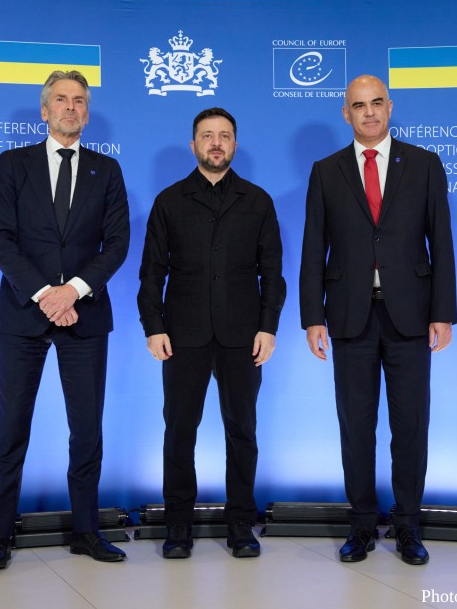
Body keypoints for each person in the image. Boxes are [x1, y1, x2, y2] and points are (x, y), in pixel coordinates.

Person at [298, 74, 457, 565]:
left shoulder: (425, 164)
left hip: (410, 316)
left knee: (410, 425)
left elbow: (442, 242)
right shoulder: (326, 171)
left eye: (377, 103)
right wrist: (312, 316)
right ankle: (362, 526)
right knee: (356, 426)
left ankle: (408, 528)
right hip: (350, 317)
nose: (369, 112)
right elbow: (312, 249)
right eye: (358, 105)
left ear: (391, 107)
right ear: (345, 114)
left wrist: (443, 313)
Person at [0, 70, 130, 570]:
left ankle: (86, 531)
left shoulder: (106, 171)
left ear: (87, 112)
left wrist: (74, 291)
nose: (71, 108)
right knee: (11, 430)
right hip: (24, 315)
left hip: (85, 316)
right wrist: (47, 294)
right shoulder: (12, 164)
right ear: (44, 111)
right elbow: (1, 240)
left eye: (79, 101)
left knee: (86, 431)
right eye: (61, 100)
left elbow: (118, 245)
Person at [137, 107, 286, 559]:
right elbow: (151, 274)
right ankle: (177, 526)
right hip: (182, 336)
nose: (216, 142)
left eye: (224, 136)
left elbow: (273, 274)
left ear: (235, 145)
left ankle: (241, 525)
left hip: (244, 336)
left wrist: (269, 327)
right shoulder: (170, 201)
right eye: (207, 135)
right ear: (194, 144)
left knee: (243, 430)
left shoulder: (258, 201)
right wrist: (153, 327)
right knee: (179, 431)